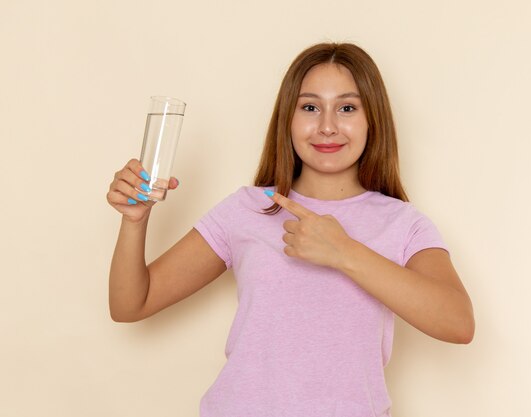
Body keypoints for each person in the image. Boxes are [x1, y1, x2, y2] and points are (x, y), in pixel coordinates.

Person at [107, 42, 474, 417]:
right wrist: (134, 222)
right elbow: (131, 304)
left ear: (371, 120)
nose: (327, 126)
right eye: (310, 107)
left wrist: (344, 252)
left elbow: (458, 323)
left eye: (347, 108)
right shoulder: (247, 209)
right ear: (288, 118)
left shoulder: (403, 223)